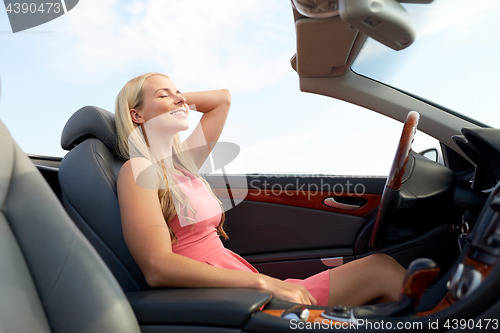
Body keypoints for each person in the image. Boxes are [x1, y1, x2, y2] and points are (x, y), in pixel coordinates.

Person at [115, 72, 406, 307]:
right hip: (233, 299)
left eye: (177, 91)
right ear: (137, 115)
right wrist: (263, 283)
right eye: (162, 94)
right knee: (380, 271)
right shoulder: (138, 169)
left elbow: (222, 100)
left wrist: (175, 100)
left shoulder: (183, 164)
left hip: (244, 288)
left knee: (383, 278)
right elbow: (157, 266)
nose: (178, 97)